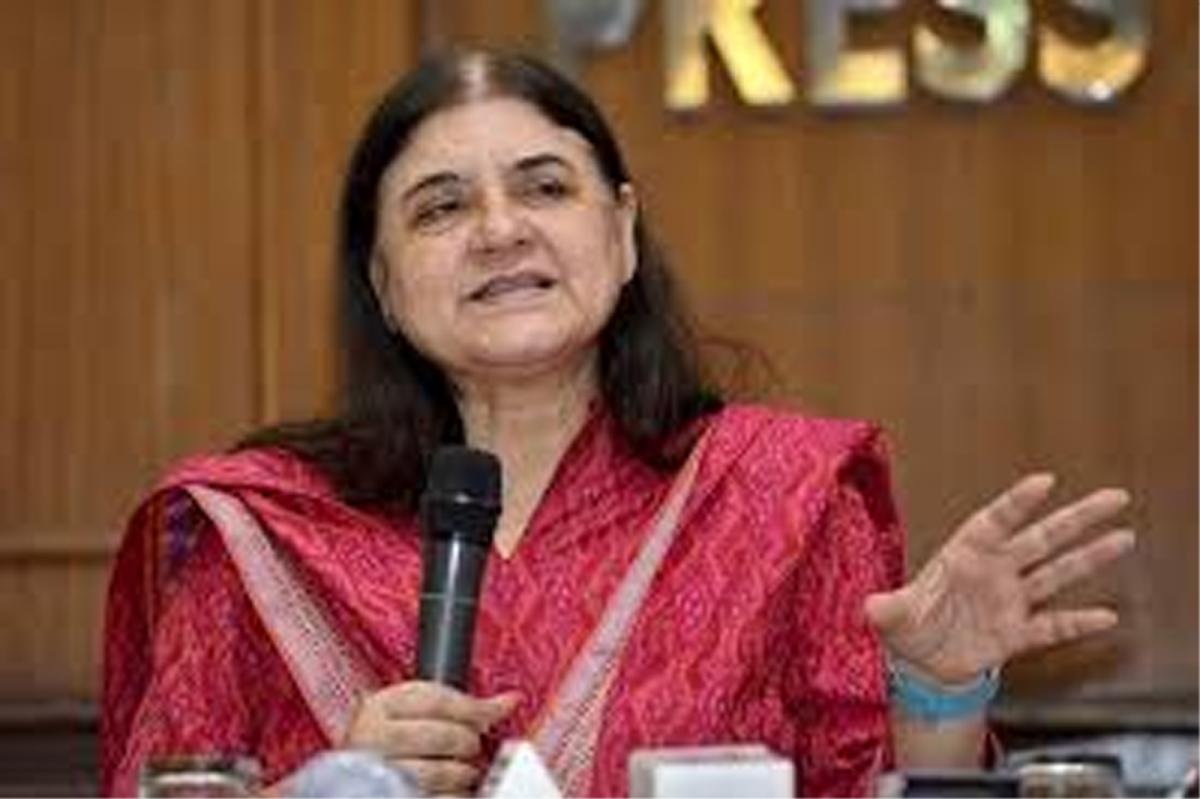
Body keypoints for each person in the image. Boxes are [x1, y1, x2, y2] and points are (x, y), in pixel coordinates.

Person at [100, 49, 1136, 797]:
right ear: (381, 281)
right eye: (440, 207)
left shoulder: (782, 494)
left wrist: (939, 698)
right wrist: (335, 787)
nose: (500, 230)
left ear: (624, 232)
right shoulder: (256, 536)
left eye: (545, 186)